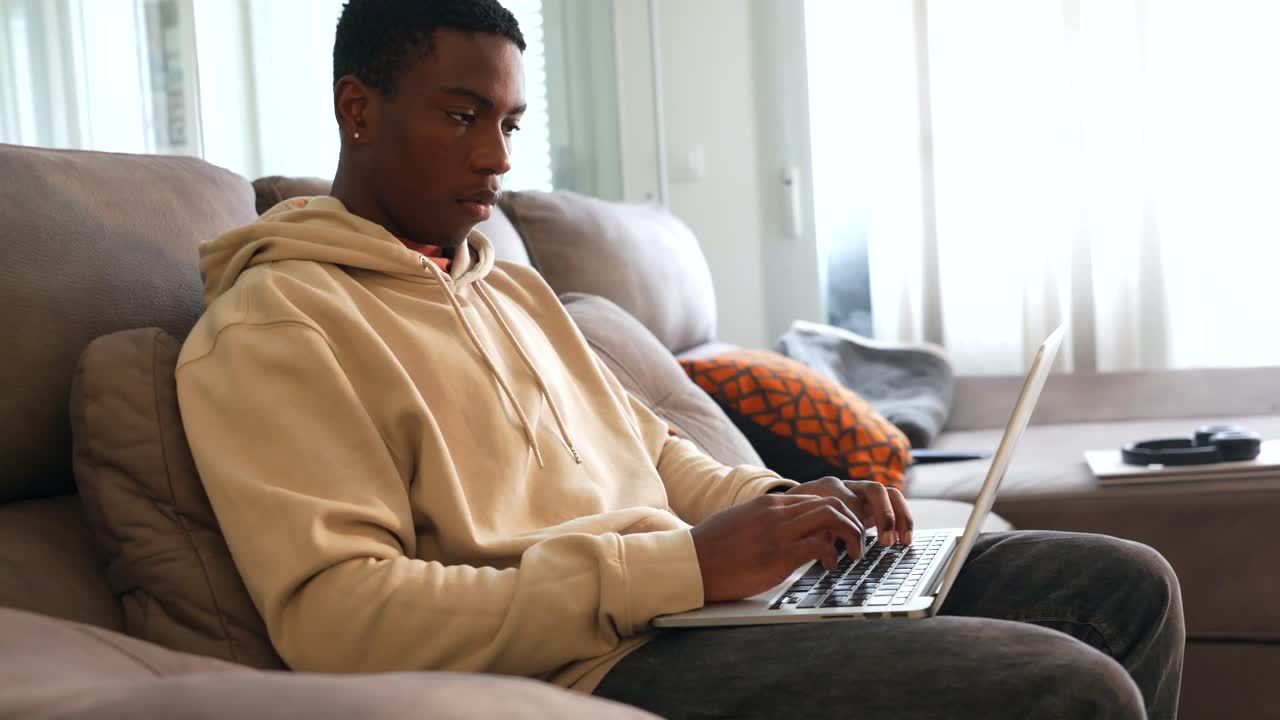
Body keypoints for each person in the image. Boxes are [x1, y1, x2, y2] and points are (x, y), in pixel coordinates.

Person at [175, 1, 1184, 717]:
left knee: (1125, 584)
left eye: (509, 121)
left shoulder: (511, 287)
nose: (496, 156)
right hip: (583, 667)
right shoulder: (279, 323)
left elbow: (658, 457)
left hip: (699, 608)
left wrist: (793, 508)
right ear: (358, 108)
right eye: (459, 114)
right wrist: (681, 566)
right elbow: (340, 619)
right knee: (1069, 690)